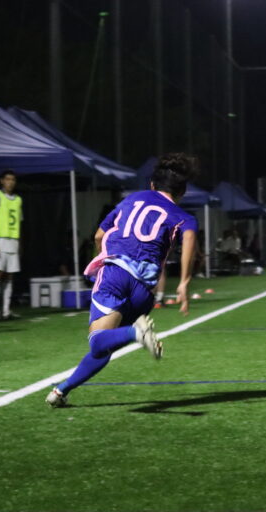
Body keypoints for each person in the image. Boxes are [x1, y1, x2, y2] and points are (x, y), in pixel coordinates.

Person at [46, 153, 199, 407]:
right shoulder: (182, 215)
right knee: (107, 345)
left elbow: (99, 236)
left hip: (115, 274)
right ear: (181, 191)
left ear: (152, 184)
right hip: (144, 291)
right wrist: (184, 281)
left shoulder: (131, 200)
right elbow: (190, 238)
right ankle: (61, 391)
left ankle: (136, 333)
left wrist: (104, 259)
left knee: (98, 341)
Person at [0, 169, 22, 320]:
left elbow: (19, 222)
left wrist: (19, 243)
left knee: (9, 276)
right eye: (7, 179)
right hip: (0, 240)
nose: (10, 182)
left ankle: (6, 310)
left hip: (13, 240)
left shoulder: (18, 199)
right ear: (1, 181)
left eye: (12, 179)